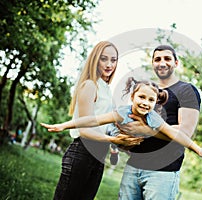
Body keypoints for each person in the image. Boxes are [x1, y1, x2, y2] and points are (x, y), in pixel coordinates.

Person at [49, 41, 142, 200]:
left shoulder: (106, 88)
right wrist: (112, 139)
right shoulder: (90, 85)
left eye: (113, 60)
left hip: (98, 156)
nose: (109, 64)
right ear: (95, 60)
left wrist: (122, 141)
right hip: (82, 152)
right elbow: (85, 129)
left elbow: (107, 124)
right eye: (103, 59)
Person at [117, 44, 202, 200]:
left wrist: (146, 130)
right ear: (153, 63)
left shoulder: (186, 90)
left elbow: (185, 132)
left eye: (167, 58)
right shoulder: (148, 91)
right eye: (157, 59)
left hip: (163, 172)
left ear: (176, 63)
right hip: (133, 166)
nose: (162, 63)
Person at [41, 77, 202, 159]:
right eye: (142, 97)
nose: (145, 103)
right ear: (132, 97)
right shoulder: (122, 112)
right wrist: (65, 125)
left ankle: (116, 148)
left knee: (126, 138)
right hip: (115, 129)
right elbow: (92, 120)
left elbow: (175, 134)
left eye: (151, 100)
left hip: (131, 139)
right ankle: (115, 147)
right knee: (112, 129)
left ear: (156, 103)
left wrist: (198, 149)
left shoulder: (153, 118)